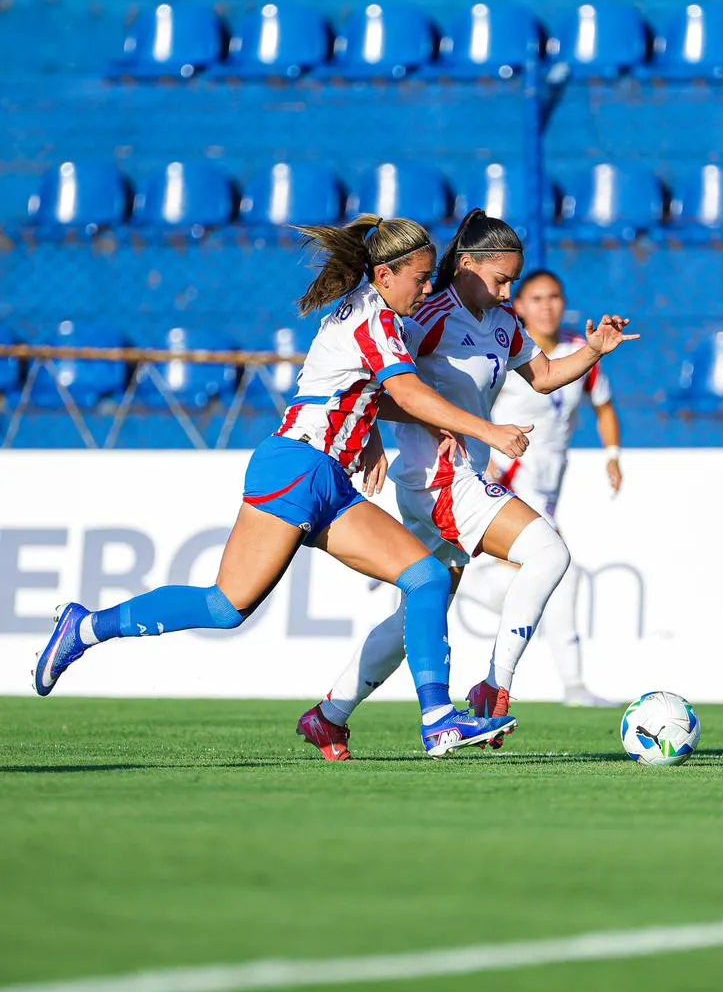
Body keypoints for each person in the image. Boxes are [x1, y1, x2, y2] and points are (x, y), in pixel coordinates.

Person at [33, 214, 533, 758]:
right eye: (419, 277)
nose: (427, 286)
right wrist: (486, 430)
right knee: (227, 607)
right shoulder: (374, 320)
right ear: (386, 275)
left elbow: (366, 393)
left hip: (328, 479)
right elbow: (408, 394)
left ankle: (438, 721)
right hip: (295, 468)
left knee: (429, 578)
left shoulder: (378, 317)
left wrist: (371, 432)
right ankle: (86, 629)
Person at [297, 210, 638, 761]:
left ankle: (328, 715)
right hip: (438, 478)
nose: (509, 292)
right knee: (548, 553)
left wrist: (594, 349)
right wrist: (381, 436)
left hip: (458, 474)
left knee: (421, 606)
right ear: (466, 265)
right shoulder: (427, 314)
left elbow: (545, 374)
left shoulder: (502, 325)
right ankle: (492, 686)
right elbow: (376, 380)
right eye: (502, 280)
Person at [463, 268, 623, 707]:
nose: (546, 306)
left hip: (549, 488)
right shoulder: (506, 355)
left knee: (544, 581)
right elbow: (472, 408)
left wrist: (612, 456)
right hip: (510, 482)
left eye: (554, 297)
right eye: (536, 298)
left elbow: (604, 407)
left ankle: (463, 584)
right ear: (519, 306)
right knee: (560, 571)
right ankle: (571, 686)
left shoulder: (580, 353)